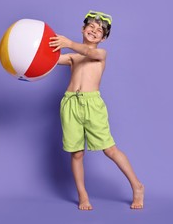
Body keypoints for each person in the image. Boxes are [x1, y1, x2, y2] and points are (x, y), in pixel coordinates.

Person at [49, 11, 144, 210]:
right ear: (83, 29)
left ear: (103, 38)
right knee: (76, 153)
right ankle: (83, 195)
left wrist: (70, 43)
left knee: (109, 149)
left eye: (99, 30)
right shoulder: (73, 57)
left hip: (92, 105)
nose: (94, 31)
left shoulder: (100, 54)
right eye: (91, 27)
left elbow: (89, 52)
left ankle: (137, 186)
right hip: (70, 105)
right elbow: (48, 61)